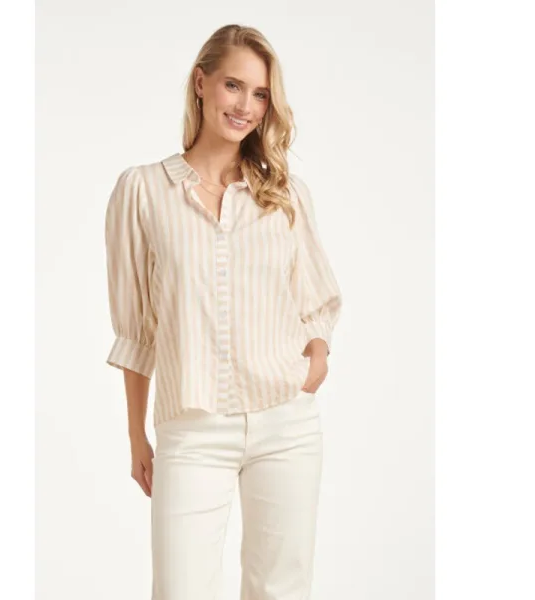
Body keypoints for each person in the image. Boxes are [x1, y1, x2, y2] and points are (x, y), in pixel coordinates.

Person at [104, 23, 343, 600]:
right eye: (234, 86)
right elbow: (137, 331)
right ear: (201, 82)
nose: (246, 106)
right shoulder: (142, 191)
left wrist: (317, 356)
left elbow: (316, 300)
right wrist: (137, 437)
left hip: (286, 423)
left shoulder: (284, 194)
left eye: (260, 94)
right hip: (192, 428)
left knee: (281, 589)